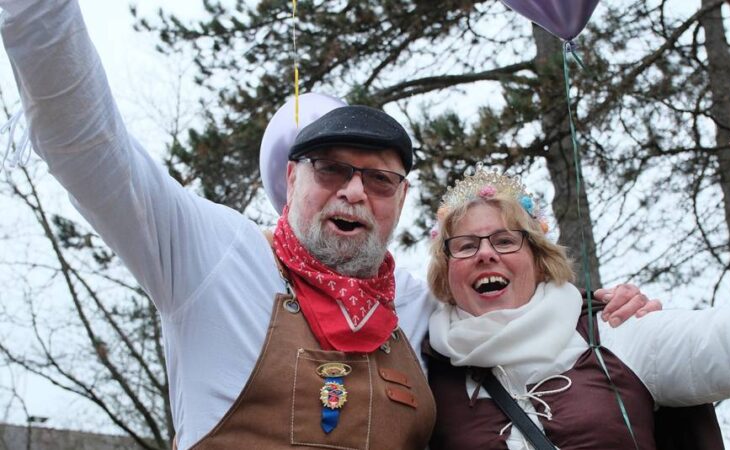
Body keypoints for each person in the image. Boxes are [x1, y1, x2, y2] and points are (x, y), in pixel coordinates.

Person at [0, 1, 660, 448]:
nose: (353, 192)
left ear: (400, 202)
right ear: (291, 181)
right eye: (331, 170)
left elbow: (516, 314)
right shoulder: (214, 259)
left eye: (379, 180)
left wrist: (593, 312)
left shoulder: (420, 308)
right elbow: (84, 143)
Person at [424, 82, 730, 450]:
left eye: (506, 241)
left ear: (539, 260)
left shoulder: (618, 330)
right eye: (466, 245)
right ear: (446, 273)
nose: (486, 254)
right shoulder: (425, 371)